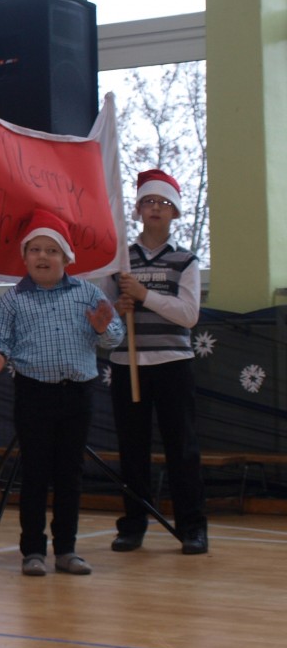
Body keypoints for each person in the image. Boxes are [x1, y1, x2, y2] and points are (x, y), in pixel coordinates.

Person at [0, 209, 124, 577]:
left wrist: (102, 329)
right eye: (35, 250)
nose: (43, 256)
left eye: (52, 250)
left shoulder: (89, 294)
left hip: (77, 395)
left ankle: (67, 550)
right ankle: (33, 551)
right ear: (24, 257)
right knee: (35, 473)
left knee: (70, 474)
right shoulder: (13, 300)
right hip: (33, 394)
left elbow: (114, 338)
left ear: (67, 258)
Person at [105, 170, 208, 555]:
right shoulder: (119, 260)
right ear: (137, 209)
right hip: (127, 363)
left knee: (182, 448)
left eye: (163, 203)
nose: (155, 208)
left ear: (175, 212)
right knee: (132, 450)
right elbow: (102, 317)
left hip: (172, 364)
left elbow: (189, 315)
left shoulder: (186, 260)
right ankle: (133, 525)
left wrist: (144, 294)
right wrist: (118, 307)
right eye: (148, 202)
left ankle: (193, 527)